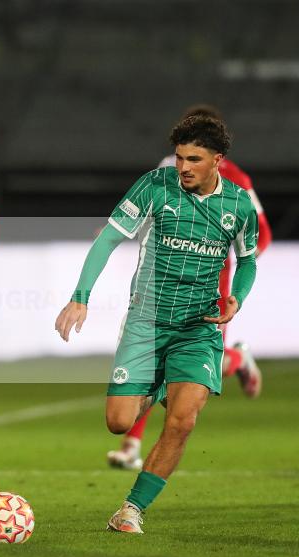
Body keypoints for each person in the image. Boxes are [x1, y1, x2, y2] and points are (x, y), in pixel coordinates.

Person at [55, 114, 258, 534]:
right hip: (146, 321)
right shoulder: (155, 185)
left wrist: (237, 297)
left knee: (182, 421)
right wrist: (80, 296)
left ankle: (131, 509)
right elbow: (109, 238)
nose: (183, 167)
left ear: (217, 160)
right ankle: (161, 384)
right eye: (180, 157)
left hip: (199, 326)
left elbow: (248, 260)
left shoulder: (239, 205)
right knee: (119, 422)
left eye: (194, 159)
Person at [107, 104, 272, 471]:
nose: (185, 163)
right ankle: (132, 444)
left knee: (195, 365)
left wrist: (234, 260)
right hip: (162, 278)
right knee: (155, 359)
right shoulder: (169, 168)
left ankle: (237, 360)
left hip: (212, 284)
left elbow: (262, 234)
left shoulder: (237, 181)